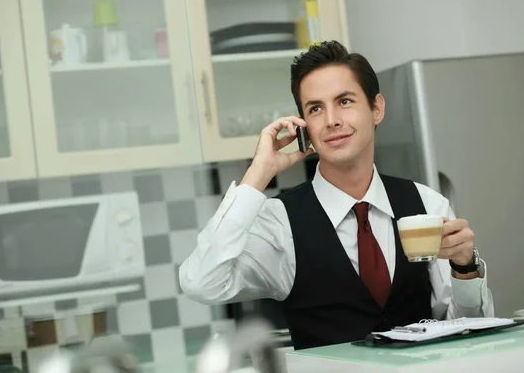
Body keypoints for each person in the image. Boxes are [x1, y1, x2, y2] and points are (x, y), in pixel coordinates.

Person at [179, 40, 494, 350]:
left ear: (376, 108)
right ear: (304, 124)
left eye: (344, 101)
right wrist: (259, 172)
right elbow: (201, 283)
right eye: (316, 108)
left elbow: (468, 331)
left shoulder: (427, 203)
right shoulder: (279, 222)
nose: (331, 121)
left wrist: (465, 268)